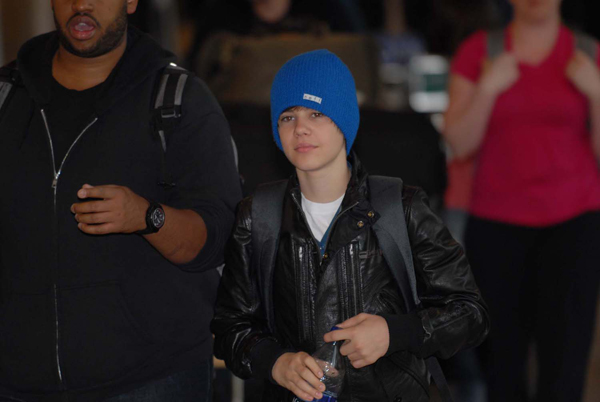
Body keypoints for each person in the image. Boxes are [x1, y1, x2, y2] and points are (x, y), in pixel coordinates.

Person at [211, 49, 489, 402]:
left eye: (316, 113)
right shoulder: (258, 215)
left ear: (344, 120)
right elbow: (229, 327)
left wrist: (395, 332)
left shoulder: (400, 207)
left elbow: (471, 314)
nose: (300, 128)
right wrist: (275, 362)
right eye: (287, 116)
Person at [0, 0, 241, 400]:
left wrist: (147, 217)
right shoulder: (8, 95)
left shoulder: (178, 99)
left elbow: (218, 239)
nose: (82, 5)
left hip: (154, 379)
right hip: (17, 380)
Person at [444, 0, 600, 401]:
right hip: (496, 225)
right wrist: (488, 88)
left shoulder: (589, 52)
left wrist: (597, 95)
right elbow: (459, 143)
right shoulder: (479, 51)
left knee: (566, 364)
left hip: (574, 223)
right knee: (501, 364)